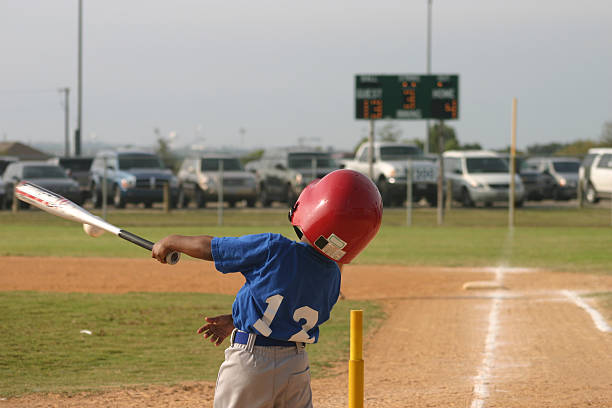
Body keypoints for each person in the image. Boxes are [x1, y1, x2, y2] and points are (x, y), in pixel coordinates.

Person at [152, 169, 383, 408]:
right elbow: (290, 306)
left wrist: (170, 241)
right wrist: (237, 319)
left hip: (251, 363)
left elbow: (212, 248)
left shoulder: (274, 248)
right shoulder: (333, 277)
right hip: (296, 369)